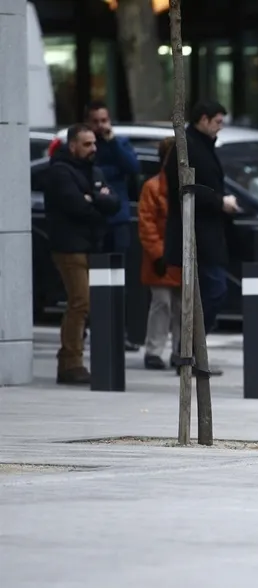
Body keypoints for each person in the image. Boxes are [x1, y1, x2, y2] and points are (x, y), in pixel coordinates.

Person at [44, 123, 120, 384]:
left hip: (91, 246)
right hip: (69, 246)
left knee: (86, 305)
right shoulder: (60, 172)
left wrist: (94, 198)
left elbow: (114, 203)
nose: (93, 148)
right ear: (73, 145)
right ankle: (70, 362)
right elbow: (75, 206)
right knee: (81, 302)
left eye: (94, 143)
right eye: (87, 144)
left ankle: (74, 359)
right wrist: (95, 199)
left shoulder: (94, 170)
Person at [164, 100, 238, 362]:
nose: (220, 127)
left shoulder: (201, 146)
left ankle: (191, 351)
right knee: (213, 290)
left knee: (209, 292)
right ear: (203, 119)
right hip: (195, 233)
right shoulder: (188, 148)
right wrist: (220, 202)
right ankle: (189, 351)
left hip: (206, 232)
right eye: (217, 121)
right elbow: (185, 189)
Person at [85, 100, 142, 352]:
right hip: (93, 222)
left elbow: (133, 167)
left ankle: (120, 332)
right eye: (95, 122)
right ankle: (92, 330)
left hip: (117, 221)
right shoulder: (86, 147)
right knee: (92, 280)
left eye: (103, 121)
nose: (100, 126)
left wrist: (113, 141)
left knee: (119, 280)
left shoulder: (119, 143)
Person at [139, 137, 182, 371]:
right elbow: (147, 225)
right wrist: (158, 255)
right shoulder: (153, 188)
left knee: (181, 307)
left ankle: (180, 350)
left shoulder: (180, 187)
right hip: (162, 258)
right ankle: (154, 350)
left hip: (177, 256)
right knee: (162, 303)